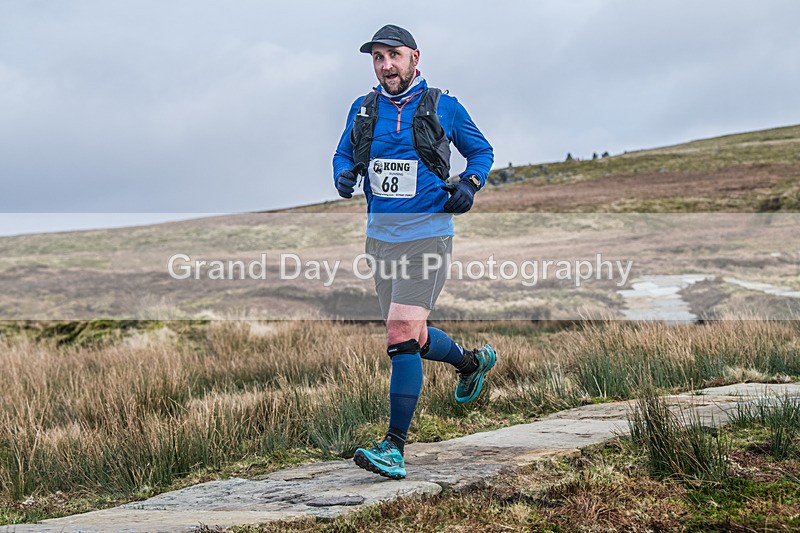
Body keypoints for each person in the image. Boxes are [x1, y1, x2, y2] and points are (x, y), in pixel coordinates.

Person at [332, 24, 496, 480]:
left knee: (400, 333)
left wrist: (470, 183)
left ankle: (394, 447)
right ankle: (471, 362)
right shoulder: (363, 109)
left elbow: (481, 151)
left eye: (394, 56)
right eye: (378, 57)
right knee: (412, 337)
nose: (386, 65)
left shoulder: (444, 105)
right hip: (380, 238)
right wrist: (343, 175)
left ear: (414, 58)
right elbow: (342, 155)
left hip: (429, 234)